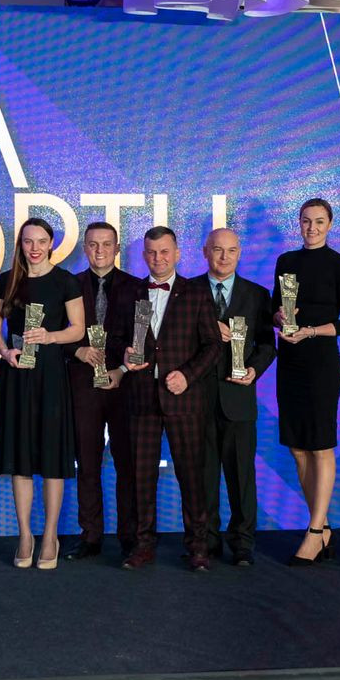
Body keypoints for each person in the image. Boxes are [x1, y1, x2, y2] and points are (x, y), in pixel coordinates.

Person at [121, 226, 220, 571]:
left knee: (191, 476)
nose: (158, 258)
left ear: (177, 254)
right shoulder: (132, 292)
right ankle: (142, 545)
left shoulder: (197, 293)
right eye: (151, 252)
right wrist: (125, 354)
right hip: (141, 400)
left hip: (184, 400)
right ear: (144, 256)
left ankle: (198, 547)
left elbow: (213, 345)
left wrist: (188, 375)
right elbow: (119, 339)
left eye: (164, 252)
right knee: (141, 477)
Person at [0, 219, 84, 569]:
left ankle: (50, 535)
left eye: (41, 241)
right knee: (21, 455)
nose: (35, 248)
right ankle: (25, 534)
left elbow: (78, 330)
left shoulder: (65, 281)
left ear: (51, 243)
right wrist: (5, 351)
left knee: (53, 456)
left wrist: (50, 336)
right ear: (21, 244)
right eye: (28, 241)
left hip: (52, 374)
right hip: (17, 373)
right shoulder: (7, 279)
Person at [272, 198, 340, 567]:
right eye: (306, 221)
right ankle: (322, 528)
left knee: (321, 446)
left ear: (330, 224)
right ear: (299, 223)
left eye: (319, 221)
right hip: (290, 362)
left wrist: (310, 330)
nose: (312, 228)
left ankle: (312, 532)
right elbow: (275, 309)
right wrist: (280, 318)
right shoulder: (285, 261)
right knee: (297, 447)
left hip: (322, 363)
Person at [194, 228, 275, 567]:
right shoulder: (188, 292)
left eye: (231, 250)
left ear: (240, 253)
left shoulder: (257, 294)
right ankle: (206, 541)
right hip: (198, 398)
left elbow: (267, 344)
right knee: (203, 476)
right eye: (217, 250)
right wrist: (206, 328)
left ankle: (243, 542)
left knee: (242, 476)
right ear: (205, 252)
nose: (224, 257)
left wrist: (254, 369)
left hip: (239, 398)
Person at [66, 221, 141, 561]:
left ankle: (130, 536)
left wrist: (122, 371)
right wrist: (76, 350)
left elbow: (143, 340)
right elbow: (57, 332)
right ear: (85, 248)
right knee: (87, 463)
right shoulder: (70, 285)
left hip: (124, 386)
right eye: (93, 244)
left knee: (128, 463)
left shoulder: (136, 287)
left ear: (117, 248)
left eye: (106, 244)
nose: (100, 251)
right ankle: (90, 535)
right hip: (83, 384)